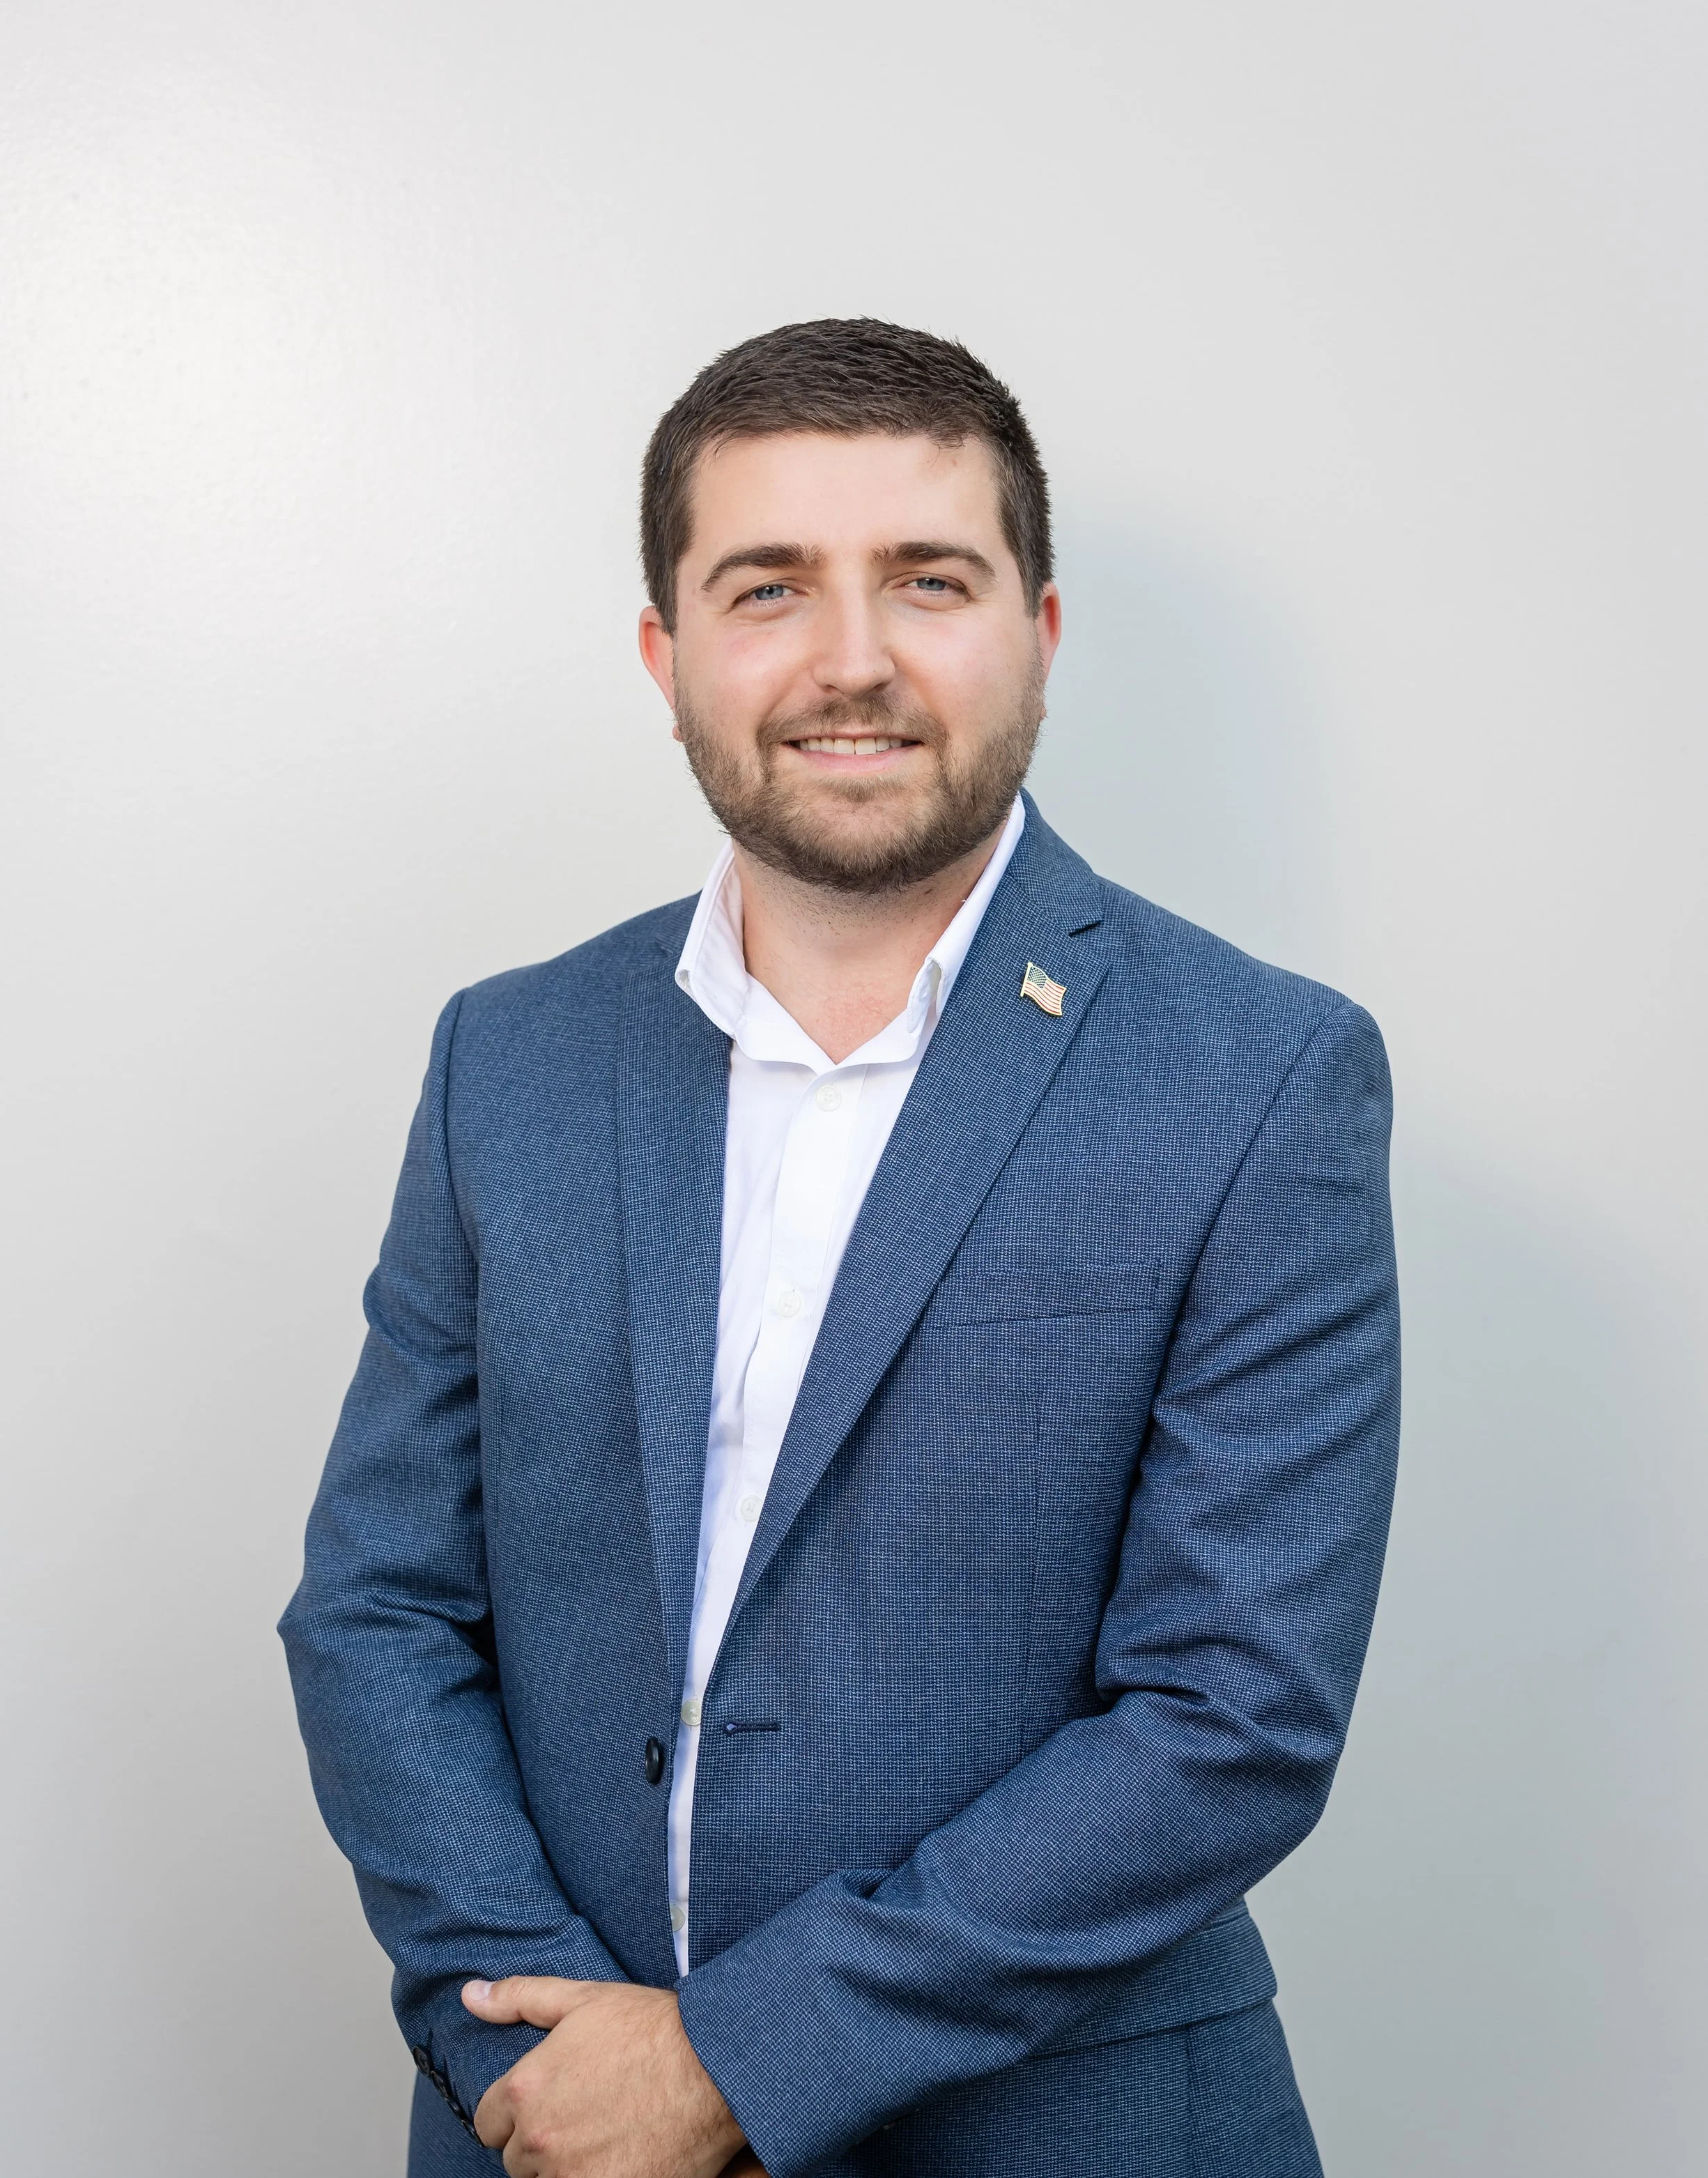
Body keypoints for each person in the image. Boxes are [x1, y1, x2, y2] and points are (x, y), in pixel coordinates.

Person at [281, 318, 1399, 2178]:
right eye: (769, 587)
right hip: (549, 2121)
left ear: (1039, 632)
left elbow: (1232, 1713)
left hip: (1062, 2131)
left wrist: (727, 2064)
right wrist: (533, 2042)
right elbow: (378, 1606)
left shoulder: (1258, 1072)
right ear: (668, 655)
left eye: (929, 580)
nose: (853, 659)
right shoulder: (511, 1054)